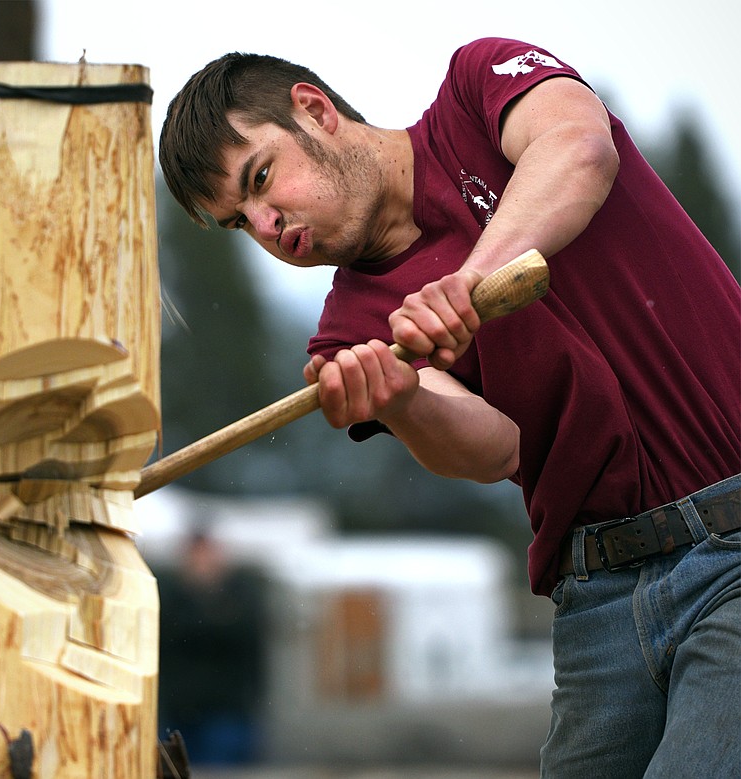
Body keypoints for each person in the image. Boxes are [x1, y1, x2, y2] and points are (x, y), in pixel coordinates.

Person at [158, 37, 740, 777]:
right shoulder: (346, 337)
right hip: (597, 594)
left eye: (262, 178)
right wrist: (402, 402)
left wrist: (467, 284)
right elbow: (494, 448)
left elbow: (580, 150)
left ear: (314, 110)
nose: (268, 224)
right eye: (241, 221)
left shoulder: (478, 88)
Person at [155, 530, 266, 765]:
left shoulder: (241, 598)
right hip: (181, 710)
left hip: (226, 710)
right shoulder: (173, 598)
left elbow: (247, 646)